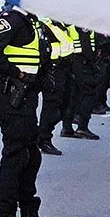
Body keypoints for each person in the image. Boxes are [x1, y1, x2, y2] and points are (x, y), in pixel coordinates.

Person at [0, 6, 59, 217]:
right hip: (11, 93)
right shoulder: (12, 19)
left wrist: (41, 79)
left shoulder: (31, 22)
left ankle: (29, 213)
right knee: (16, 153)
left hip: (27, 95)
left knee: (31, 154)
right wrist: (17, 74)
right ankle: (6, 216)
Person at [36, 17, 76, 156]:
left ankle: (41, 132)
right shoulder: (47, 26)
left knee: (66, 104)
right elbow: (46, 49)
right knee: (52, 105)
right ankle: (44, 138)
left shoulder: (63, 25)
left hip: (65, 68)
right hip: (54, 68)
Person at [63, 27, 103, 140]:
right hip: (83, 63)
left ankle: (67, 127)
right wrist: (93, 63)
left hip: (75, 62)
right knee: (89, 93)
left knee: (74, 95)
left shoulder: (71, 22)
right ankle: (82, 127)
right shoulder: (83, 24)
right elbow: (86, 46)